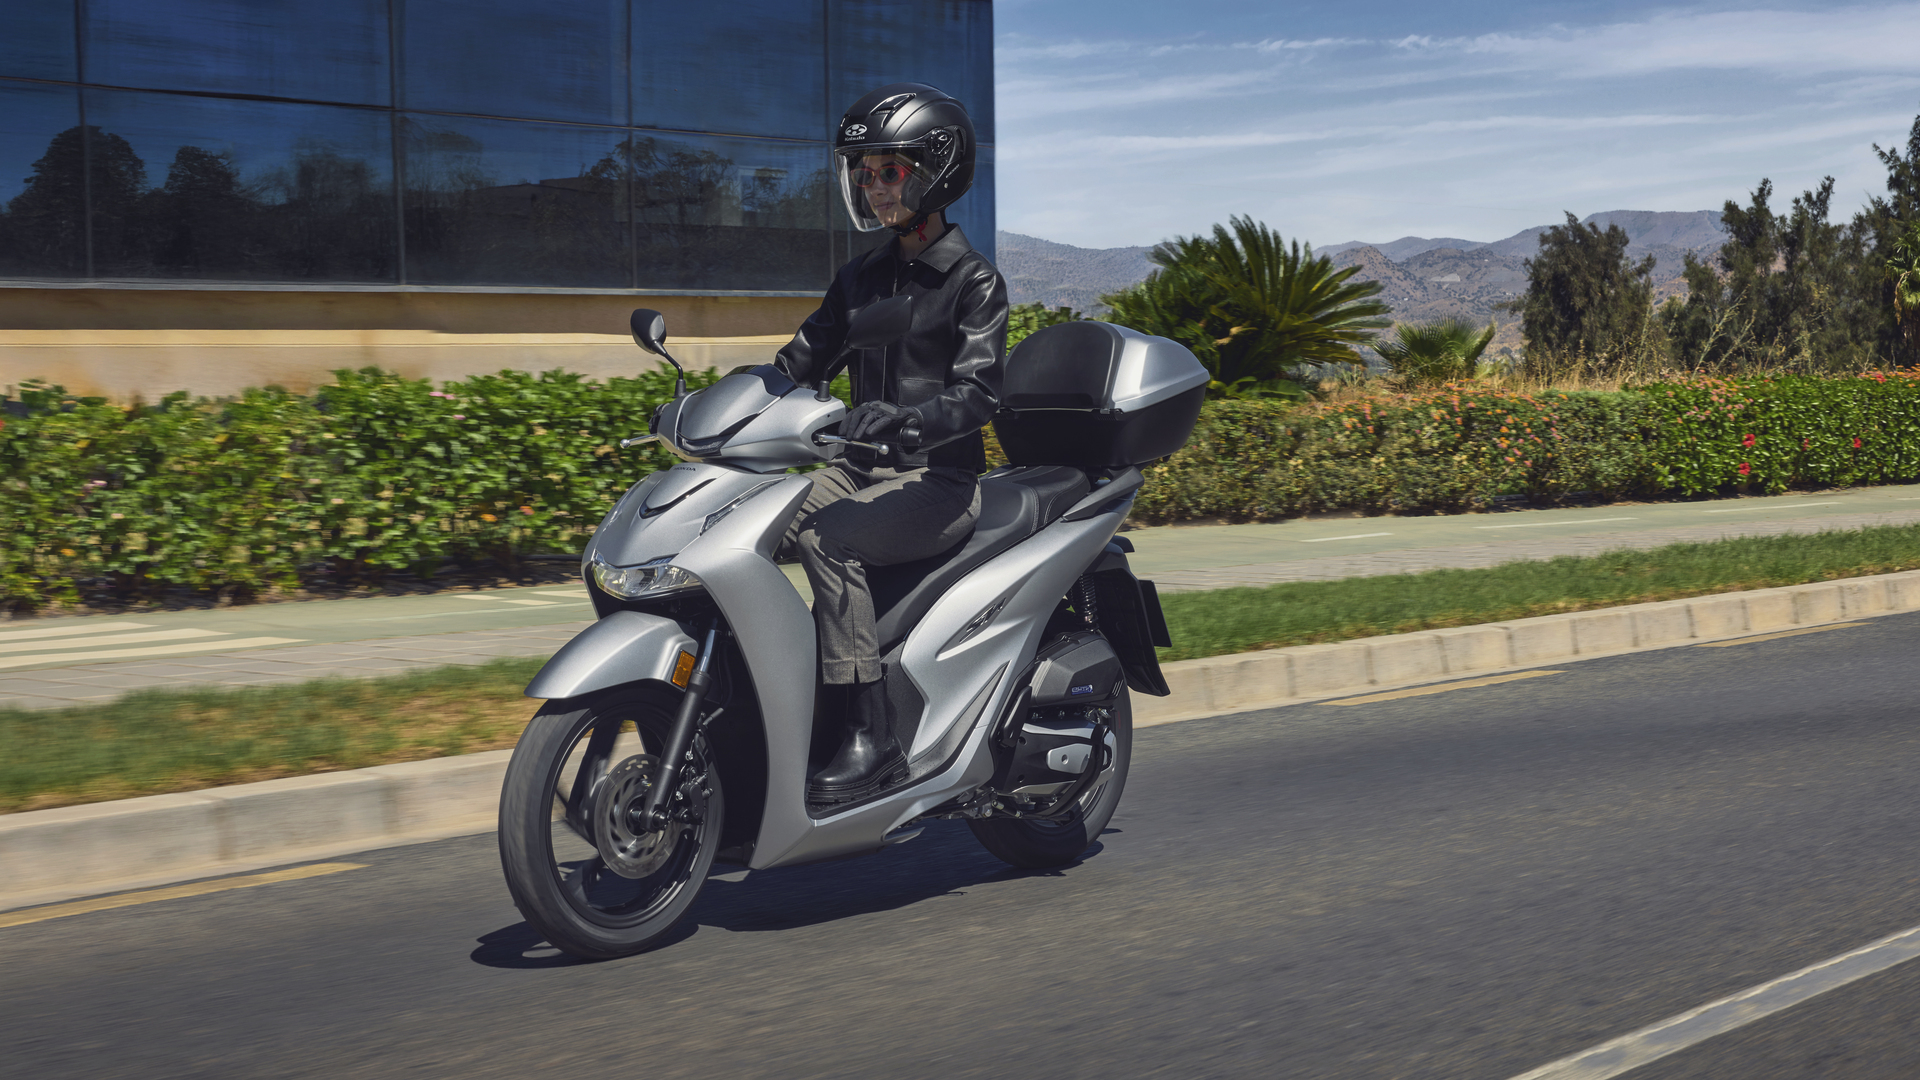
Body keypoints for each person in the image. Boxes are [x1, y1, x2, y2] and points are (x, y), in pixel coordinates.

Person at [774, 82, 1008, 806]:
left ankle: (870, 737)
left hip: (937, 482)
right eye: (863, 172)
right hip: (856, 469)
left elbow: (979, 393)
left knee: (828, 541)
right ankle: (771, 697)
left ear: (937, 172)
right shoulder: (862, 278)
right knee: (747, 522)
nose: (873, 186)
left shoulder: (974, 282)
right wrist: (720, 401)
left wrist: (908, 423)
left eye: (889, 170)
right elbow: (798, 360)